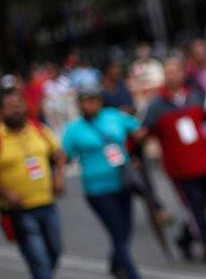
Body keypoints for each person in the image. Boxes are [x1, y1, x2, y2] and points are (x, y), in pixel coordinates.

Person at [0, 89, 66, 279]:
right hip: (19, 211)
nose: (16, 110)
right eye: (10, 106)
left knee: (55, 251)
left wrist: (59, 176)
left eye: (19, 105)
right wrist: (3, 193)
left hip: (47, 204)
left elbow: (59, 154)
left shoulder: (38, 129)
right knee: (39, 260)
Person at [143, 56, 206, 263]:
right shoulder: (156, 106)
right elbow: (145, 132)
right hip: (180, 169)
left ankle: (186, 237)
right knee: (197, 209)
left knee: (203, 205)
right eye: (167, 72)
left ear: (182, 73)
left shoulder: (194, 96)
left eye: (175, 71)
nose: (171, 75)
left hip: (204, 163)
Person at [62, 85, 146, 279]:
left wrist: (135, 149)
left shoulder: (113, 115)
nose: (92, 104)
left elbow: (137, 128)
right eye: (87, 101)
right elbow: (65, 156)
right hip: (97, 189)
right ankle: (132, 274)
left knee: (125, 230)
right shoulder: (73, 129)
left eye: (95, 99)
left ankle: (115, 264)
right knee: (117, 230)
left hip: (123, 182)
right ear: (80, 104)